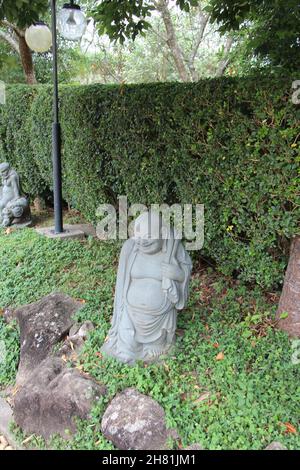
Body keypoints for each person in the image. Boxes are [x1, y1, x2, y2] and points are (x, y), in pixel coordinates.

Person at [102, 211, 192, 364]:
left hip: (160, 318)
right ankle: (129, 344)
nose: (142, 242)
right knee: (126, 349)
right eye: (139, 237)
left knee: (155, 350)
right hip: (130, 314)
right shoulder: (130, 249)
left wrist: (178, 274)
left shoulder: (173, 249)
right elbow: (121, 283)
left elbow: (185, 273)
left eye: (149, 237)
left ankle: (158, 343)